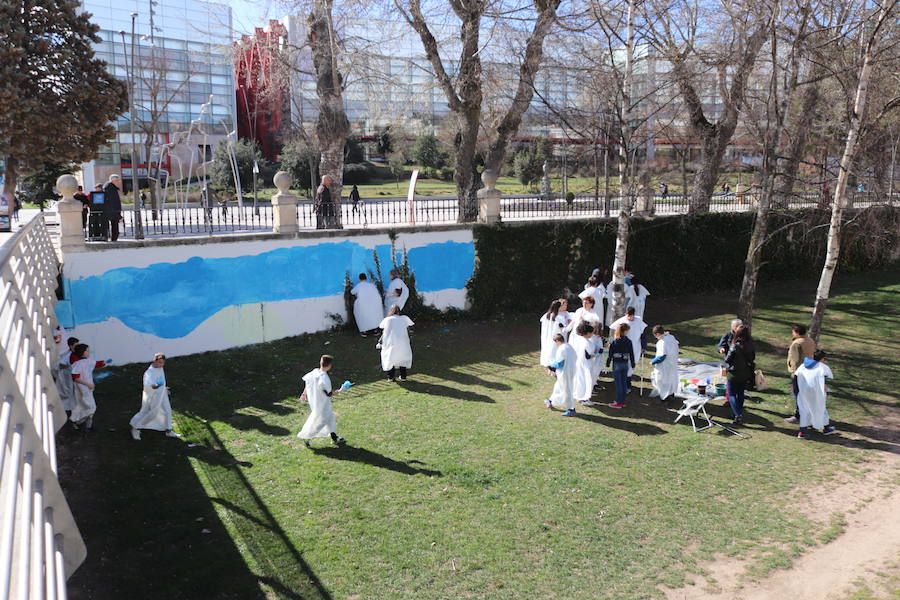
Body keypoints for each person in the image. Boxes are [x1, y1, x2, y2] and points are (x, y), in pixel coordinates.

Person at [297, 354, 350, 448]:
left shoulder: (314, 372)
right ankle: (306, 437)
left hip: (315, 403)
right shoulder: (324, 378)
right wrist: (341, 390)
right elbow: (329, 394)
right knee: (319, 423)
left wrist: (304, 394)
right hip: (322, 405)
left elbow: (307, 384)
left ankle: (334, 438)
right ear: (329, 365)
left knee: (331, 419)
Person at [129, 353, 181, 440]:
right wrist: (159, 385)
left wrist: (163, 388)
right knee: (151, 413)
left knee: (168, 411)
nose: (161, 365)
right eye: (160, 362)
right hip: (153, 396)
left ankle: (168, 431)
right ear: (154, 361)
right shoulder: (149, 373)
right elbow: (151, 386)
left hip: (162, 394)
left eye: (163, 363)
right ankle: (136, 427)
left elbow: (160, 379)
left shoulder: (159, 368)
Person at [795, 350, 838, 439]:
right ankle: (826, 428)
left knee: (805, 410)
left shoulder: (803, 365)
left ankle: (802, 431)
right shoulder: (823, 367)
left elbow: (796, 376)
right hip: (817, 392)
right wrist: (825, 392)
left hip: (804, 391)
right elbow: (825, 381)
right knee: (820, 408)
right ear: (822, 359)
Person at [721, 325, 755, 425]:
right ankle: (737, 414)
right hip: (745, 373)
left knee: (731, 394)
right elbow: (752, 358)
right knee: (740, 394)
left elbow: (727, 359)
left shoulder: (735, 345)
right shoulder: (750, 344)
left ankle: (737, 414)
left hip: (733, 373)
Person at [69, 344, 109, 430]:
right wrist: (88, 384)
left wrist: (105, 362)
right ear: (82, 353)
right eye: (87, 350)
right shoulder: (78, 364)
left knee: (85, 405)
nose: (89, 352)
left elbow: (96, 364)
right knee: (91, 407)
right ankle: (77, 421)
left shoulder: (88, 361)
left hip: (88, 388)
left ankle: (87, 426)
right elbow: (76, 378)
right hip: (82, 389)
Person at [785, 324, 816, 424]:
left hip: (799, 372)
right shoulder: (810, 341)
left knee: (799, 394)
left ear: (797, 333)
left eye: (793, 331)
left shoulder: (796, 343)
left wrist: (793, 372)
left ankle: (799, 416)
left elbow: (794, 359)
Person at [609, 306, 647, 379]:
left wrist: (644, 346)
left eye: (632, 316)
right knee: (624, 363)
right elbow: (616, 333)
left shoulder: (638, 321)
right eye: (628, 316)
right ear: (625, 314)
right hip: (624, 346)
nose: (630, 318)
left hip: (635, 346)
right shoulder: (622, 321)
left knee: (632, 362)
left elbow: (643, 335)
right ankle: (625, 379)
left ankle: (628, 377)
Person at [379, 305, 414, 382]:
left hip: (390, 342)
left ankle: (391, 377)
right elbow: (410, 324)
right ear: (399, 311)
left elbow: (381, 326)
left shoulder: (387, 319)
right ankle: (403, 376)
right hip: (402, 341)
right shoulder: (404, 318)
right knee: (403, 357)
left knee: (390, 357)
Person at [571, 322, 603, 407]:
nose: (592, 334)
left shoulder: (578, 339)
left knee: (580, 381)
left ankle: (579, 396)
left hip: (578, 363)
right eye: (591, 333)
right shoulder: (585, 342)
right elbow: (587, 356)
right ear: (587, 333)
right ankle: (584, 399)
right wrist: (596, 354)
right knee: (586, 381)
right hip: (585, 364)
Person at [546, 333, 577, 416]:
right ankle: (551, 400)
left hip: (564, 373)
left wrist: (550, 366)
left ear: (557, 341)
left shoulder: (561, 349)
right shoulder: (569, 347)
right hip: (571, 370)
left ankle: (571, 409)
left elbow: (559, 363)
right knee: (558, 387)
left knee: (567, 390)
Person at [606, 322, 635, 408]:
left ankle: (618, 402)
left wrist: (608, 363)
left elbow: (610, 353)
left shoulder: (615, 341)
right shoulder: (628, 341)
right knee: (624, 383)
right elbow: (631, 353)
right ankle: (622, 401)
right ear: (625, 331)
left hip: (617, 364)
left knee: (618, 384)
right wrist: (633, 363)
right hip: (625, 363)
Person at [649, 325, 679, 402]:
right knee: (671, 379)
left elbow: (661, 356)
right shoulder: (671, 337)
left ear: (657, 334)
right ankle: (671, 394)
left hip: (665, 365)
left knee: (662, 380)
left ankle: (664, 397)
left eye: (656, 336)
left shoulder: (661, 343)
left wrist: (653, 361)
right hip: (672, 363)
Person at [540, 299, 570, 372]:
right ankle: (555, 364)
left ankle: (551, 363)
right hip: (558, 336)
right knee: (556, 349)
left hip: (550, 336)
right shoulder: (558, 317)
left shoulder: (548, 315)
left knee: (551, 349)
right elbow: (563, 328)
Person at [55, 336, 79, 412]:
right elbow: (60, 365)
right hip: (65, 377)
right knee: (67, 395)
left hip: (72, 377)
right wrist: (70, 366)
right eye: (76, 345)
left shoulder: (76, 354)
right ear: (71, 346)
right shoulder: (65, 355)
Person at [102, 174, 123, 241]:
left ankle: (111, 238)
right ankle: (113, 239)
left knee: (113, 226)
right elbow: (112, 202)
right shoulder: (111, 189)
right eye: (117, 180)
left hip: (112, 211)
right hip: (113, 211)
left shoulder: (110, 188)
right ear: (113, 181)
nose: (118, 182)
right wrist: (117, 213)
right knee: (114, 226)